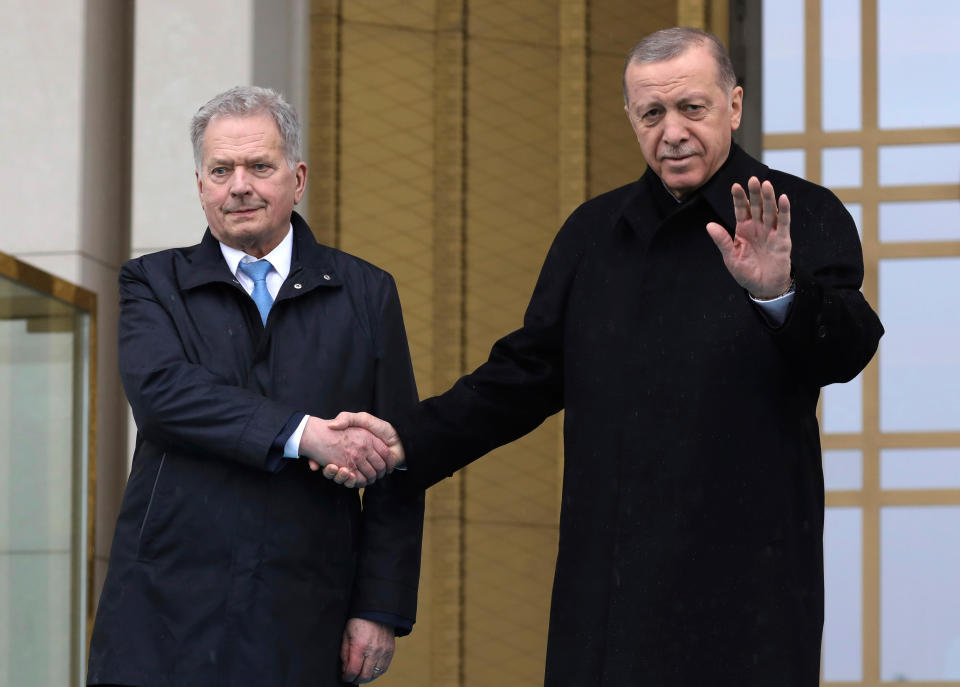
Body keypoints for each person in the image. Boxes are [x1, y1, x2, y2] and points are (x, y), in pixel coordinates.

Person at [324, 27, 883, 686]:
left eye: (692, 108)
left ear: (733, 106)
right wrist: (405, 438)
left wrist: (779, 292)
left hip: (748, 587)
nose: (671, 131)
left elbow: (849, 346)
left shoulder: (800, 214)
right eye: (652, 113)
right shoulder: (594, 233)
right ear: (631, 118)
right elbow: (521, 376)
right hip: (612, 588)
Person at [86, 86, 423, 687]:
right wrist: (305, 435)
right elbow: (163, 395)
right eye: (221, 170)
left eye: (259, 167)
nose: (238, 186)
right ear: (200, 185)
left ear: (297, 178)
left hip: (305, 606)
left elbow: (395, 458)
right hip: (165, 609)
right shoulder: (152, 282)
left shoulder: (367, 292)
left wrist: (379, 607)